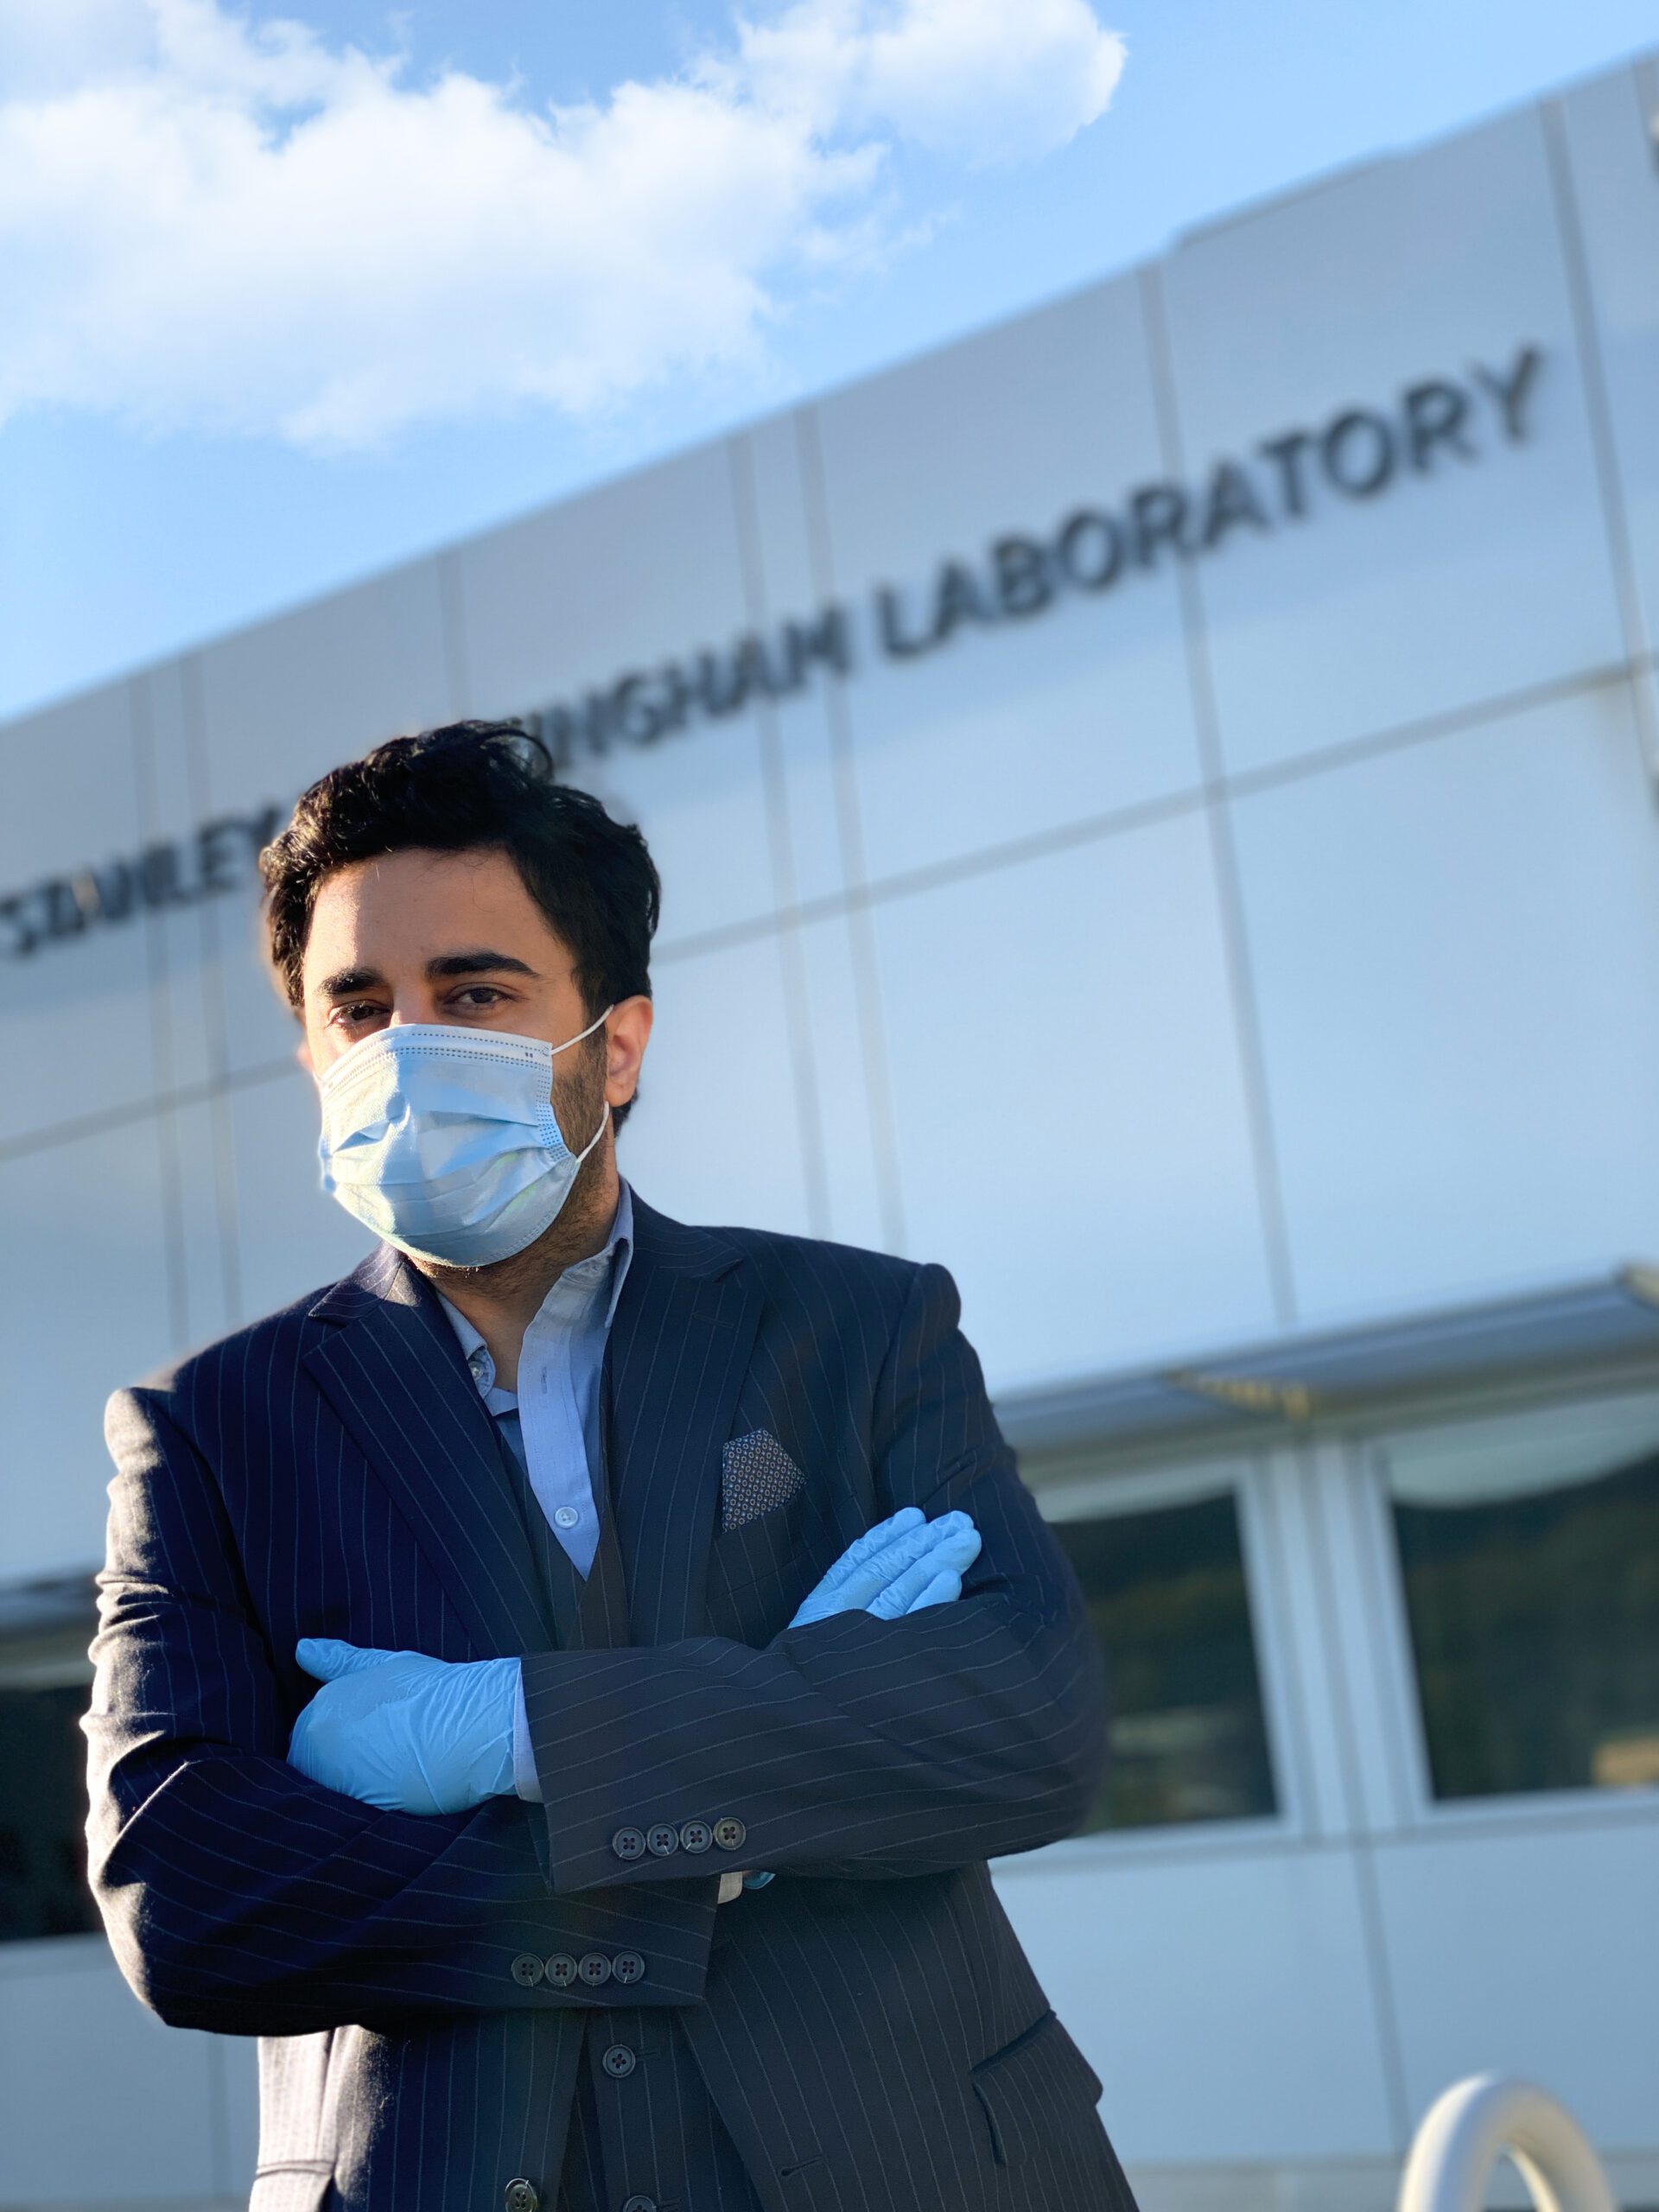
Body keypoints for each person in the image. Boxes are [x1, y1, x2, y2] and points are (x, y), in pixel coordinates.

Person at [84, 722, 1134, 2212]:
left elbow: (1026, 1718)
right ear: (312, 1052)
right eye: (359, 1008)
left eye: (474, 994)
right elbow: (186, 1897)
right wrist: (735, 1805)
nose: (405, 1051)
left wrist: (505, 1731)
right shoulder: (206, 1429)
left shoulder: (854, 1328)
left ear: (616, 1042)